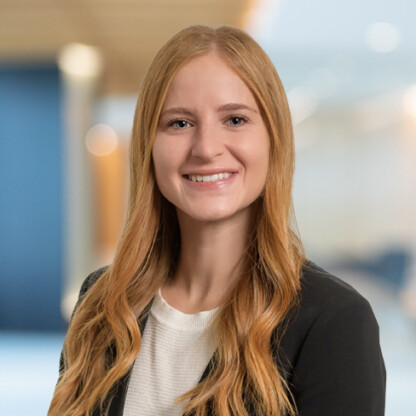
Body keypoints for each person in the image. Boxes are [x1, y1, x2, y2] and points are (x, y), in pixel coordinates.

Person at [48, 25, 386, 416]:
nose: (207, 148)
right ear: (149, 147)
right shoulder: (101, 303)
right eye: (179, 123)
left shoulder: (333, 321)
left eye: (235, 120)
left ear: (273, 140)